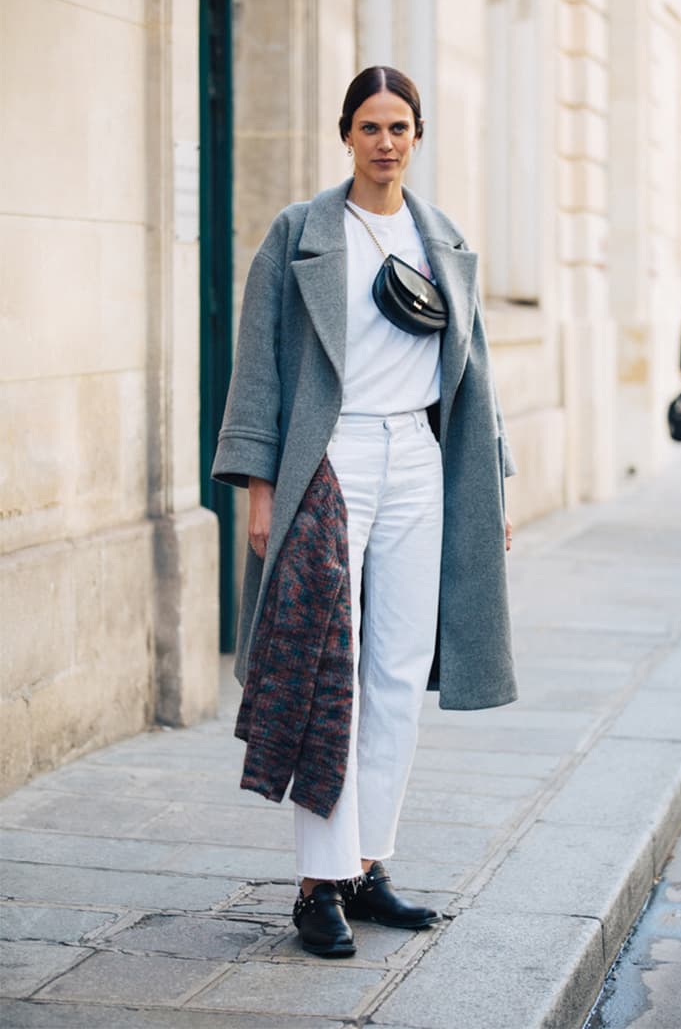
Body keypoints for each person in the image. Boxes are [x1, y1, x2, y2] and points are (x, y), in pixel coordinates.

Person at [212, 66, 517, 958]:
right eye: (370, 126)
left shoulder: (442, 239)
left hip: (420, 461)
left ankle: (368, 864)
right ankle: (316, 885)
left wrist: (490, 485)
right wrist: (263, 489)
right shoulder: (302, 233)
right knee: (326, 671)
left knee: (395, 672)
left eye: (401, 126)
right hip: (333, 458)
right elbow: (260, 367)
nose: (386, 142)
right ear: (345, 133)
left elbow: (478, 376)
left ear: (418, 136)